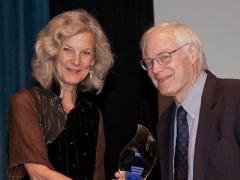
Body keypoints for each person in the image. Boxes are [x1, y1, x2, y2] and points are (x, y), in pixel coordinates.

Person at [116, 21, 240, 180]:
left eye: (164, 57)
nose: (155, 69)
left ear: (193, 53)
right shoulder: (165, 123)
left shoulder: (235, 97)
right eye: (149, 62)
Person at [7, 9, 114, 180]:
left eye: (85, 53)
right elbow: (39, 175)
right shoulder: (25, 102)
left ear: (93, 61)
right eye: (68, 50)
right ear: (53, 52)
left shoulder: (94, 114)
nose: (76, 61)